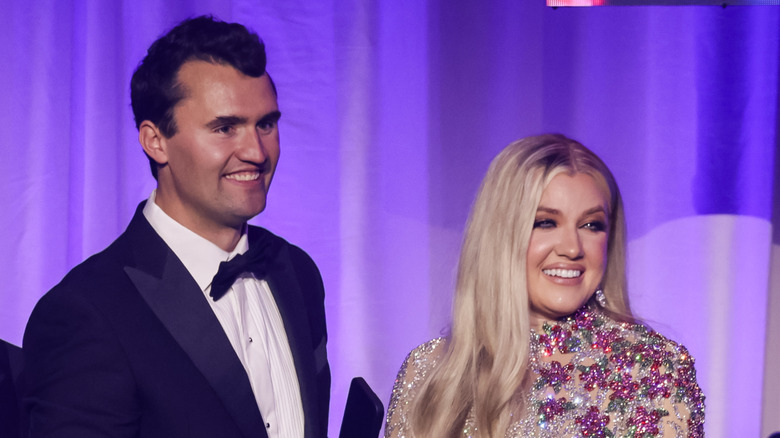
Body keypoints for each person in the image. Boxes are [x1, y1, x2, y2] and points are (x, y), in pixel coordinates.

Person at [21, 16, 329, 438]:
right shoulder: (86, 312)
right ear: (155, 141)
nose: (256, 151)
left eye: (266, 124)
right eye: (225, 128)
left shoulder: (296, 272)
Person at [385, 134, 705, 437]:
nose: (571, 247)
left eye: (591, 225)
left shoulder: (657, 369)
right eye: (546, 222)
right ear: (500, 236)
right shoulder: (429, 371)